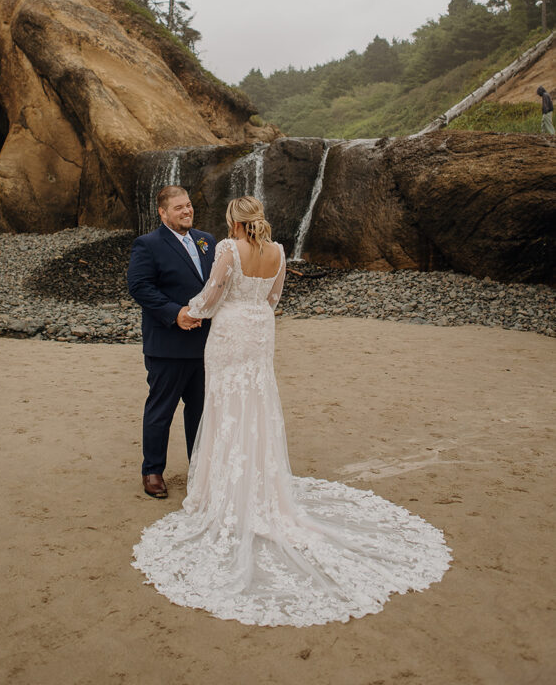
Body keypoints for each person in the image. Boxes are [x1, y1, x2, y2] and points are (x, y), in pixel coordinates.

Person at [133, 196, 452, 627]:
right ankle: (233, 481)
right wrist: (204, 314)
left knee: (225, 405)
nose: (190, 212)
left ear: (234, 220)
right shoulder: (280, 251)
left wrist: (193, 313)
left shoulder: (223, 247)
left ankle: (220, 486)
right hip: (259, 331)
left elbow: (211, 296)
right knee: (255, 404)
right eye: (181, 206)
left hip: (228, 334)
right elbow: (273, 298)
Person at [127, 185, 216, 499]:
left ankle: (199, 468)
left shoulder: (208, 241)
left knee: (200, 410)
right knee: (160, 410)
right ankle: (152, 471)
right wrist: (175, 313)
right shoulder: (147, 244)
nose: (187, 211)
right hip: (167, 344)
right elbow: (139, 286)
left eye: (189, 205)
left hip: (205, 344)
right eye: (179, 207)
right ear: (163, 213)